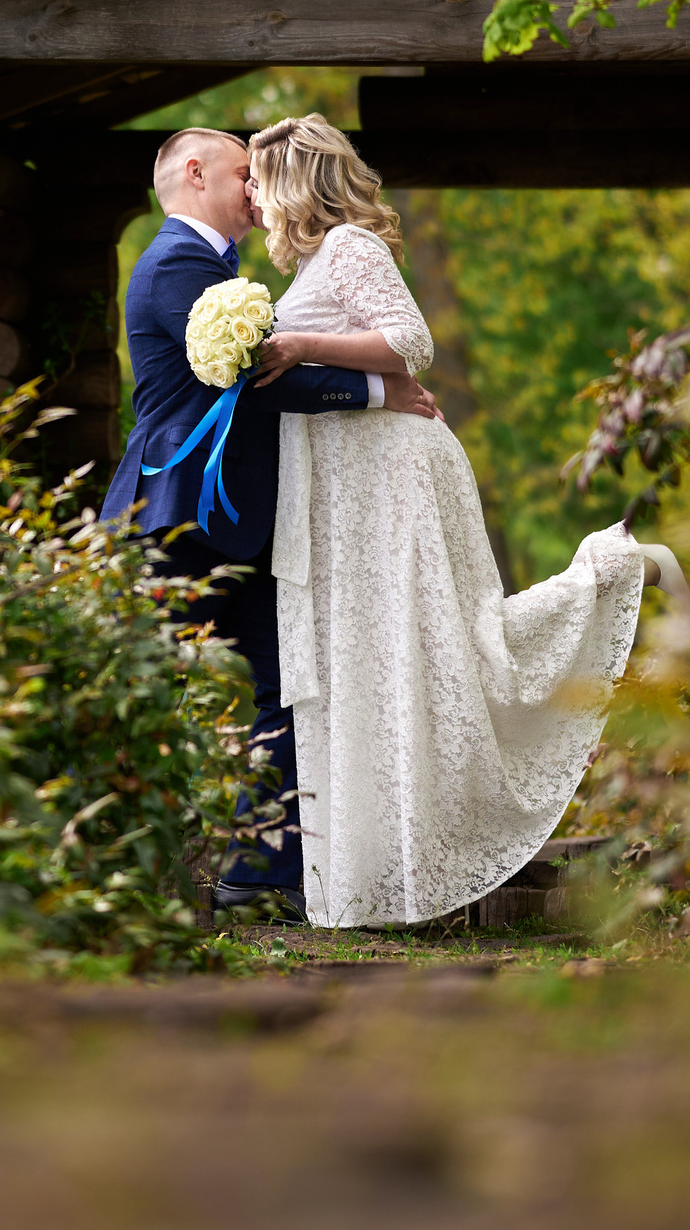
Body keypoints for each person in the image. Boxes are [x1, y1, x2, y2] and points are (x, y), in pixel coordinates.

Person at [245, 113, 689, 929]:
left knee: (450, 644)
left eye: (258, 182)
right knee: (392, 663)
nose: (253, 201)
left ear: (293, 181)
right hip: (351, 492)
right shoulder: (315, 260)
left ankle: (618, 566)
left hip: (395, 477)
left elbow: (411, 342)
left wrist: (301, 341)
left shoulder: (350, 246)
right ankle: (386, 872)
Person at [103, 128, 443, 924]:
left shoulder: (219, 268)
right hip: (178, 514)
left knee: (287, 688)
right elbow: (252, 379)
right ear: (194, 173)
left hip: (231, 517)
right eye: (240, 173)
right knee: (150, 692)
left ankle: (257, 874)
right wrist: (375, 392)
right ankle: (110, 871)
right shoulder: (177, 265)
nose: (255, 188)